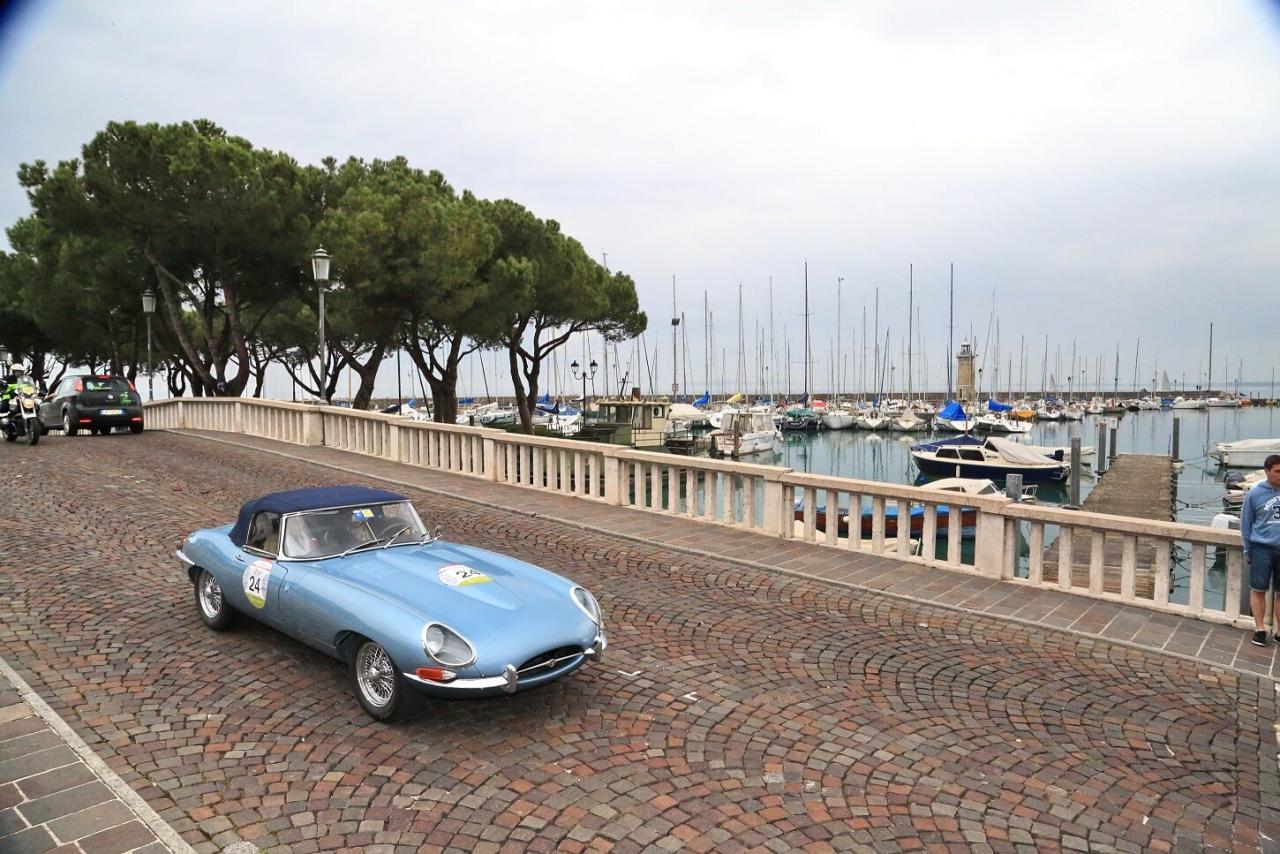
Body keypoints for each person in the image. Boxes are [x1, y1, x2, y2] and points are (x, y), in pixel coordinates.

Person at [1240, 454, 1280, 646]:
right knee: (1258, 589)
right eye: (1277, 471)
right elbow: (1246, 524)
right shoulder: (1255, 494)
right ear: (1267, 471)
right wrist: (1248, 550)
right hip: (1261, 549)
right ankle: (1260, 629)